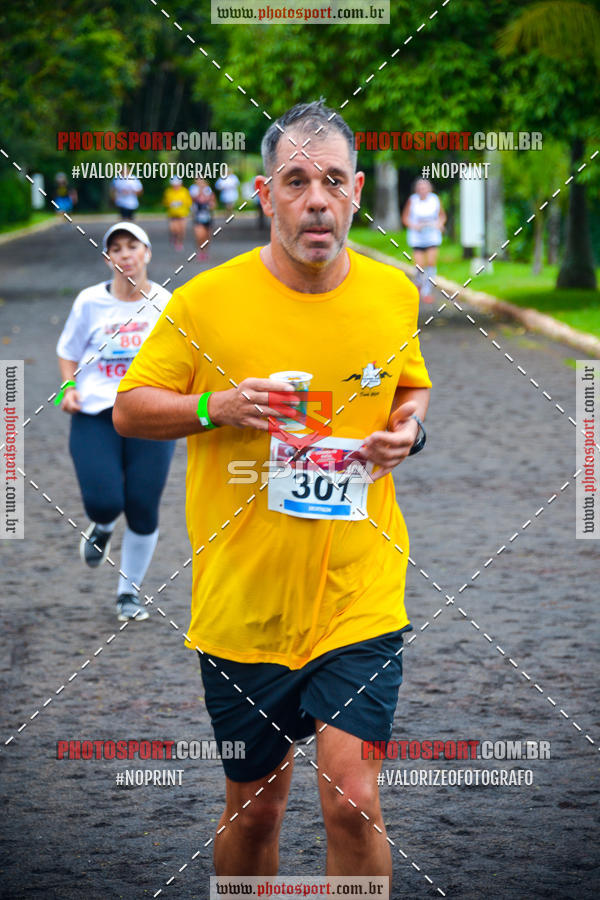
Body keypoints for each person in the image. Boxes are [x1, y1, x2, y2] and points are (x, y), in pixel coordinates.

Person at [113, 100, 431, 883]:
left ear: (356, 191)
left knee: (352, 798)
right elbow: (128, 409)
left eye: (331, 181)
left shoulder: (395, 294)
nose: (316, 199)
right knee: (256, 808)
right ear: (265, 194)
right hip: (241, 607)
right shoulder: (203, 303)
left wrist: (409, 432)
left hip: (360, 595)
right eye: (296, 181)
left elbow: (409, 392)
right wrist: (215, 407)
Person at [56, 222, 175, 621]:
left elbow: (184, 359)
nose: (125, 255)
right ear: (109, 258)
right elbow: (68, 352)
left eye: (132, 246)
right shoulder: (90, 302)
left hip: (150, 416)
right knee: (104, 501)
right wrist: (68, 388)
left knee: (143, 507)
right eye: (117, 249)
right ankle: (103, 525)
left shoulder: (166, 303)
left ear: (147, 254)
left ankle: (129, 593)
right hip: (95, 413)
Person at [401, 178, 446, 303]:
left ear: (430, 189)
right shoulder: (413, 201)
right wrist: (414, 226)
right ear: (416, 190)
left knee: (431, 263)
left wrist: (440, 224)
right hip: (417, 238)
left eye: (425, 187)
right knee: (419, 266)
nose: (423, 190)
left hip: (432, 236)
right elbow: (405, 218)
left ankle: (427, 291)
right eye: (420, 188)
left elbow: (442, 216)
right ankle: (419, 282)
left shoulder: (435, 199)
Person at [189, 177, 216, 260]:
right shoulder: (193, 189)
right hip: (198, 216)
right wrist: (200, 191)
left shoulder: (208, 189)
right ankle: (201, 251)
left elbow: (212, 201)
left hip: (207, 216)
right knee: (199, 235)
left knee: (207, 236)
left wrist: (212, 203)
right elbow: (194, 199)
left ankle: (205, 250)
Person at [163, 176, 192, 252]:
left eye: (177, 184)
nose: (175, 186)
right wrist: (170, 204)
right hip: (172, 214)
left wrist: (182, 203)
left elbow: (189, 202)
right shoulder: (169, 191)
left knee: (181, 229)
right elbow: (165, 202)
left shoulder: (184, 191)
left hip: (182, 213)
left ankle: (179, 243)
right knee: (173, 229)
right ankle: (174, 238)